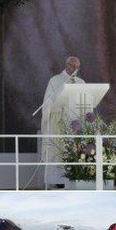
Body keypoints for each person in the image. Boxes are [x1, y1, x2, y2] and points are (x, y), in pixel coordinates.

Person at [41, 56, 85, 188]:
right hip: (59, 123)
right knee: (58, 153)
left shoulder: (81, 82)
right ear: (67, 65)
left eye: (78, 67)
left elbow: (85, 101)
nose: (75, 69)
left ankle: (73, 180)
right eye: (73, 66)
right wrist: (59, 105)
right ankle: (57, 182)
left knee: (74, 153)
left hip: (75, 124)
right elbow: (47, 103)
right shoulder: (55, 81)